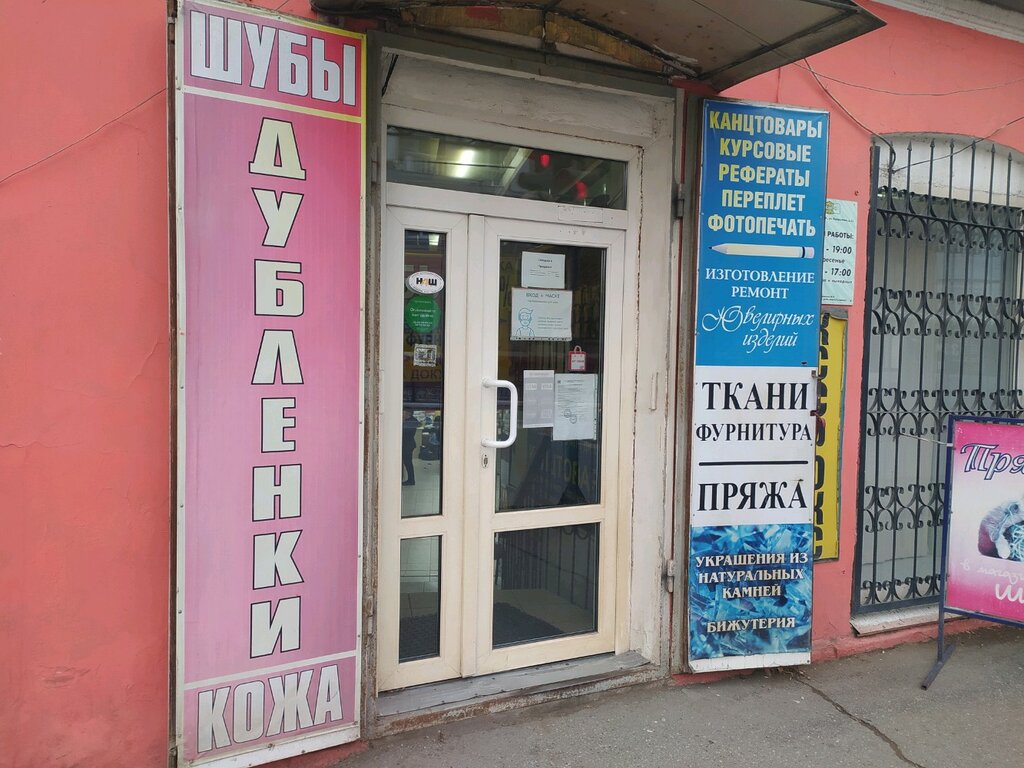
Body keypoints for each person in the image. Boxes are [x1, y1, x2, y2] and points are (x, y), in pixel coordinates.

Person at [402, 409, 419, 486]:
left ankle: (411, 480)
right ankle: (410, 479)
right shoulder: (411, 420)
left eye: (403, 412)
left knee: (408, 463)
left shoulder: (411, 421)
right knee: (408, 463)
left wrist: (403, 422)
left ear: (408, 413)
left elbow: (405, 432)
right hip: (408, 444)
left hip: (408, 445)